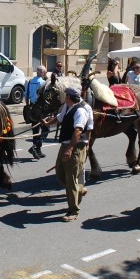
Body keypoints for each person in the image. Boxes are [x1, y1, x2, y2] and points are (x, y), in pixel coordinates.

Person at [42, 87, 90, 222]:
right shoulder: (67, 107)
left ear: (69, 97)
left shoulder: (80, 111)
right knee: (60, 174)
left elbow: (78, 131)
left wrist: (70, 149)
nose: (64, 97)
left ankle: (73, 211)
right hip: (65, 145)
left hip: (75, 147)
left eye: (65, 95)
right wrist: (48, 123)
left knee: (71, 178)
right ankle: (79, 189)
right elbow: (59, 118)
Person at [25, 65, 48, 159]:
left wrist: (28, 106)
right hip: (41, 109)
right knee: (46, 129)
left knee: (35, 130)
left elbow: (26, 95)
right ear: (42, 73)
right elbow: (45, 97)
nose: (45, 74)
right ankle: (35, 146)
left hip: (32, 107)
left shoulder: (30, 81)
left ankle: (38, 150)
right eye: (45, 72)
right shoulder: (43, 82)